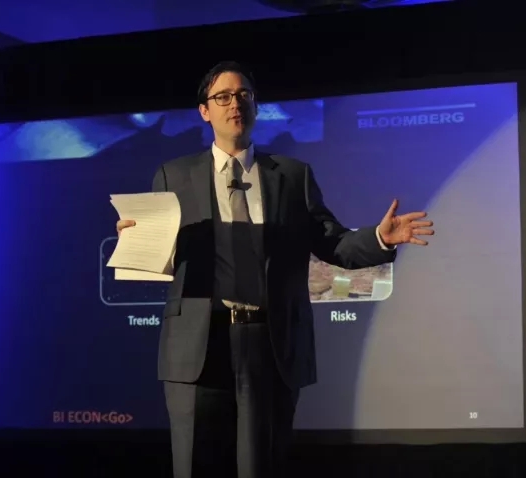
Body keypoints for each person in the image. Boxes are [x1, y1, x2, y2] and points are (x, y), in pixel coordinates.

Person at [116, 61, 434, 478]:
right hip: (198, 345)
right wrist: (136, 239)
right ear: (204, 111)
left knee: (261, 466)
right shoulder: (173, 175)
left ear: (256, 106)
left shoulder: (292, 176)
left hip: (270, 345)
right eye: (223, 97)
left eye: (244, 95)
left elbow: (333, 244)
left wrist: (380, 238)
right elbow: (164, 255)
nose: (235, 104)